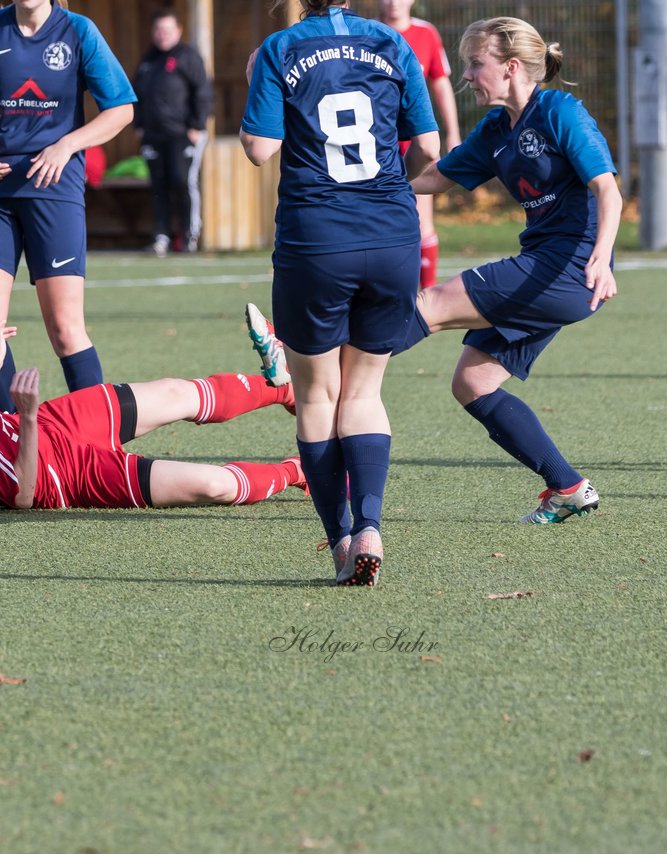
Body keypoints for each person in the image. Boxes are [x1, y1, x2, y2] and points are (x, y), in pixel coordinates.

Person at [241, 0, 439, 585]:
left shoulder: (281, 48)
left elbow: (258, 149)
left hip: (316, 242)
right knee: (365, 393)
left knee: (318, 399)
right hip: (393, 236)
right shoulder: (391, 42)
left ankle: (340, 540)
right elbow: (427, 145)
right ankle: (373, 524)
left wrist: (259, 78)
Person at [395, 17, 620, 523]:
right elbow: (436, 177)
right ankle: (568, 487)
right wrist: (373, 187)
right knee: (473, 383)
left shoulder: (560, 111)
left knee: (431, 303)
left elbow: (607, 189)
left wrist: (602, 258)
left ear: (511, 67)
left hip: (565, 269)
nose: (467, 76)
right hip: (547, 270)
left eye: (476, 64)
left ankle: (297, 376)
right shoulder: (497, 129)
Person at [0, 319, 305, 511]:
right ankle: (299, 470)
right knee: (214, 485)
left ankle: (281, 388)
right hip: (66, 476)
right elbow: (22, 496)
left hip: (55, 424)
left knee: (174, 393)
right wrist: (25, 417)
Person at [0, 0, 136, 414]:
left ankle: (96, 446)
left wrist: (67, 145)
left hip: (54, 190)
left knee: (66, 330)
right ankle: (12, 441)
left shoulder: (79, 31)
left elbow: (121, 110)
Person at [379, 0, 462, 288]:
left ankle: (425, 296)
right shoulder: (368, 32)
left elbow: (440, 83)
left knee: (421, 218)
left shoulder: (426, 33)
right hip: (378, 141)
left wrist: (452, 132)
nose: (392, 2)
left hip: (415, 140)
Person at [133, 7, 213, 257]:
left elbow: (203, 92)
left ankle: (189, 236)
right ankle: (161, 237)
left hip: (183, 135)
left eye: (167, 30)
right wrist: (139, 126)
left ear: (178, 30)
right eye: (158, 30)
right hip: (154, 136)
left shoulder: (188, 56)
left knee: (183, 182)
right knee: (159, 186)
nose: (162, 34)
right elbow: (136, 96)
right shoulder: (148, 60)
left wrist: (197, 126)